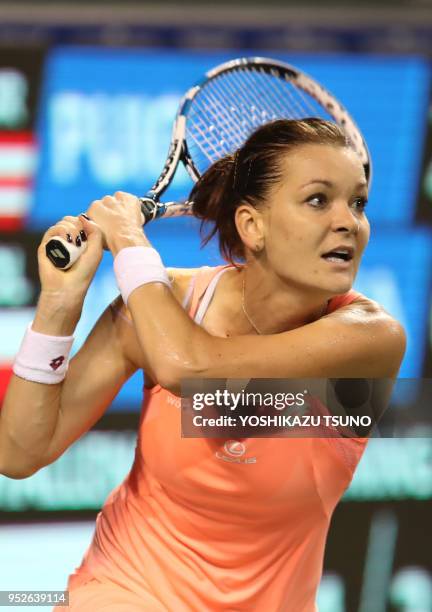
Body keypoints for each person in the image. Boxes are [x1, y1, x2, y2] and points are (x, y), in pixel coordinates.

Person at [0, 119, 406, 611]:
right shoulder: (167, 305)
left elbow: (190, 365)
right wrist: (59, 305)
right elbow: (19, 453)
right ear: (252, 226)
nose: (349, 221)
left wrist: (129, 242)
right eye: (319, 200)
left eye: (358, 202)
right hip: (124, 590)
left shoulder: (370, 337)